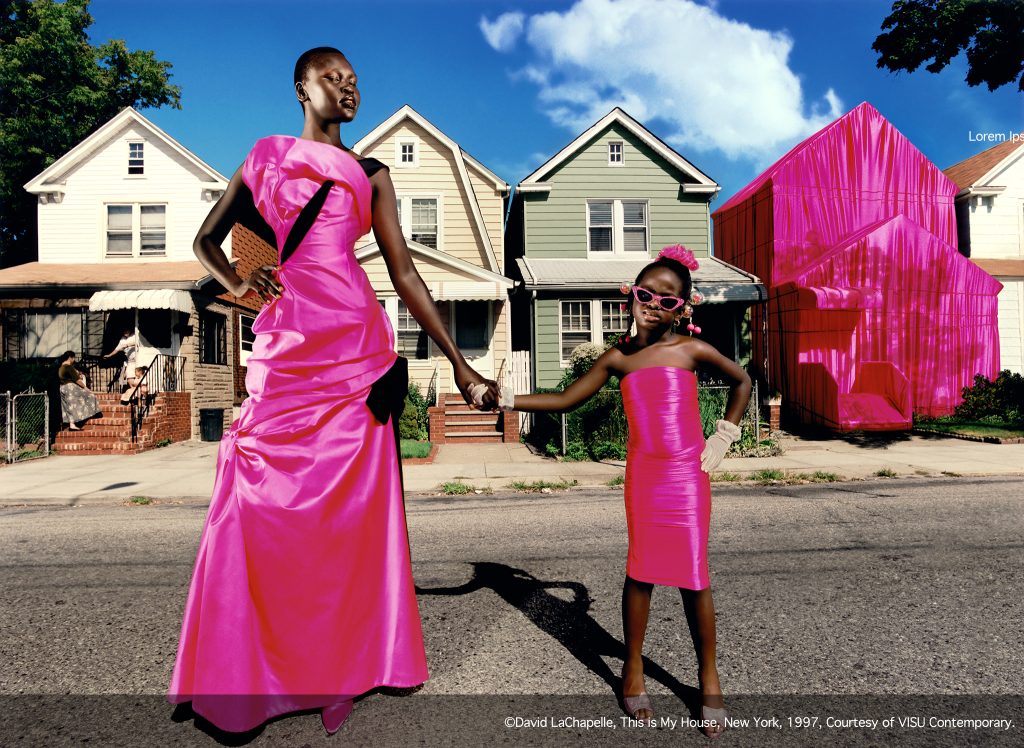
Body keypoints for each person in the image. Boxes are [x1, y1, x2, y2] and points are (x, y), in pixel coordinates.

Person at [168, 47, 498, 735]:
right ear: (301, 88)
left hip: (356, 350)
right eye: (334, 79)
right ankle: (243, 669)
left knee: (351, 520)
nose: (349, 89)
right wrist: (237, 282)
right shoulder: (263, 157)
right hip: (289, 350)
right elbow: (206, 239)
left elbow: (405, 274)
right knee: (255, 497)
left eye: (355, 82)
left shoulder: (372, 175)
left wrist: (460, 362)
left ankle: (352, 659)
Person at [502, 245, 751, 738]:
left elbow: (741, 380)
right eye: (646, 294)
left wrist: (725, 434)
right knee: (641, 572)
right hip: (644, 477)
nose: (655, 304)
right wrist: (505, 396)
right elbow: (565, 400)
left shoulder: (691, 350)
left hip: (687, 474)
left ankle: (708, 677)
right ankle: (631, 667)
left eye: (668, 299)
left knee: (694, 577)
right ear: (629, 297)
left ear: (684, 306)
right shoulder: (618, 358)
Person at [57, 351, 101, 430]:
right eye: (73, 358)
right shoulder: (68, 367)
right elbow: (77, 380)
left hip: (62, 388)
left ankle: (72, 424)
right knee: (90, 396)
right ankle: (89, 415)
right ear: (70, 358)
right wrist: (86, 388)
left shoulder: (61, 367)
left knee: (68, 406)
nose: (73, 360)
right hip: (70, 388)